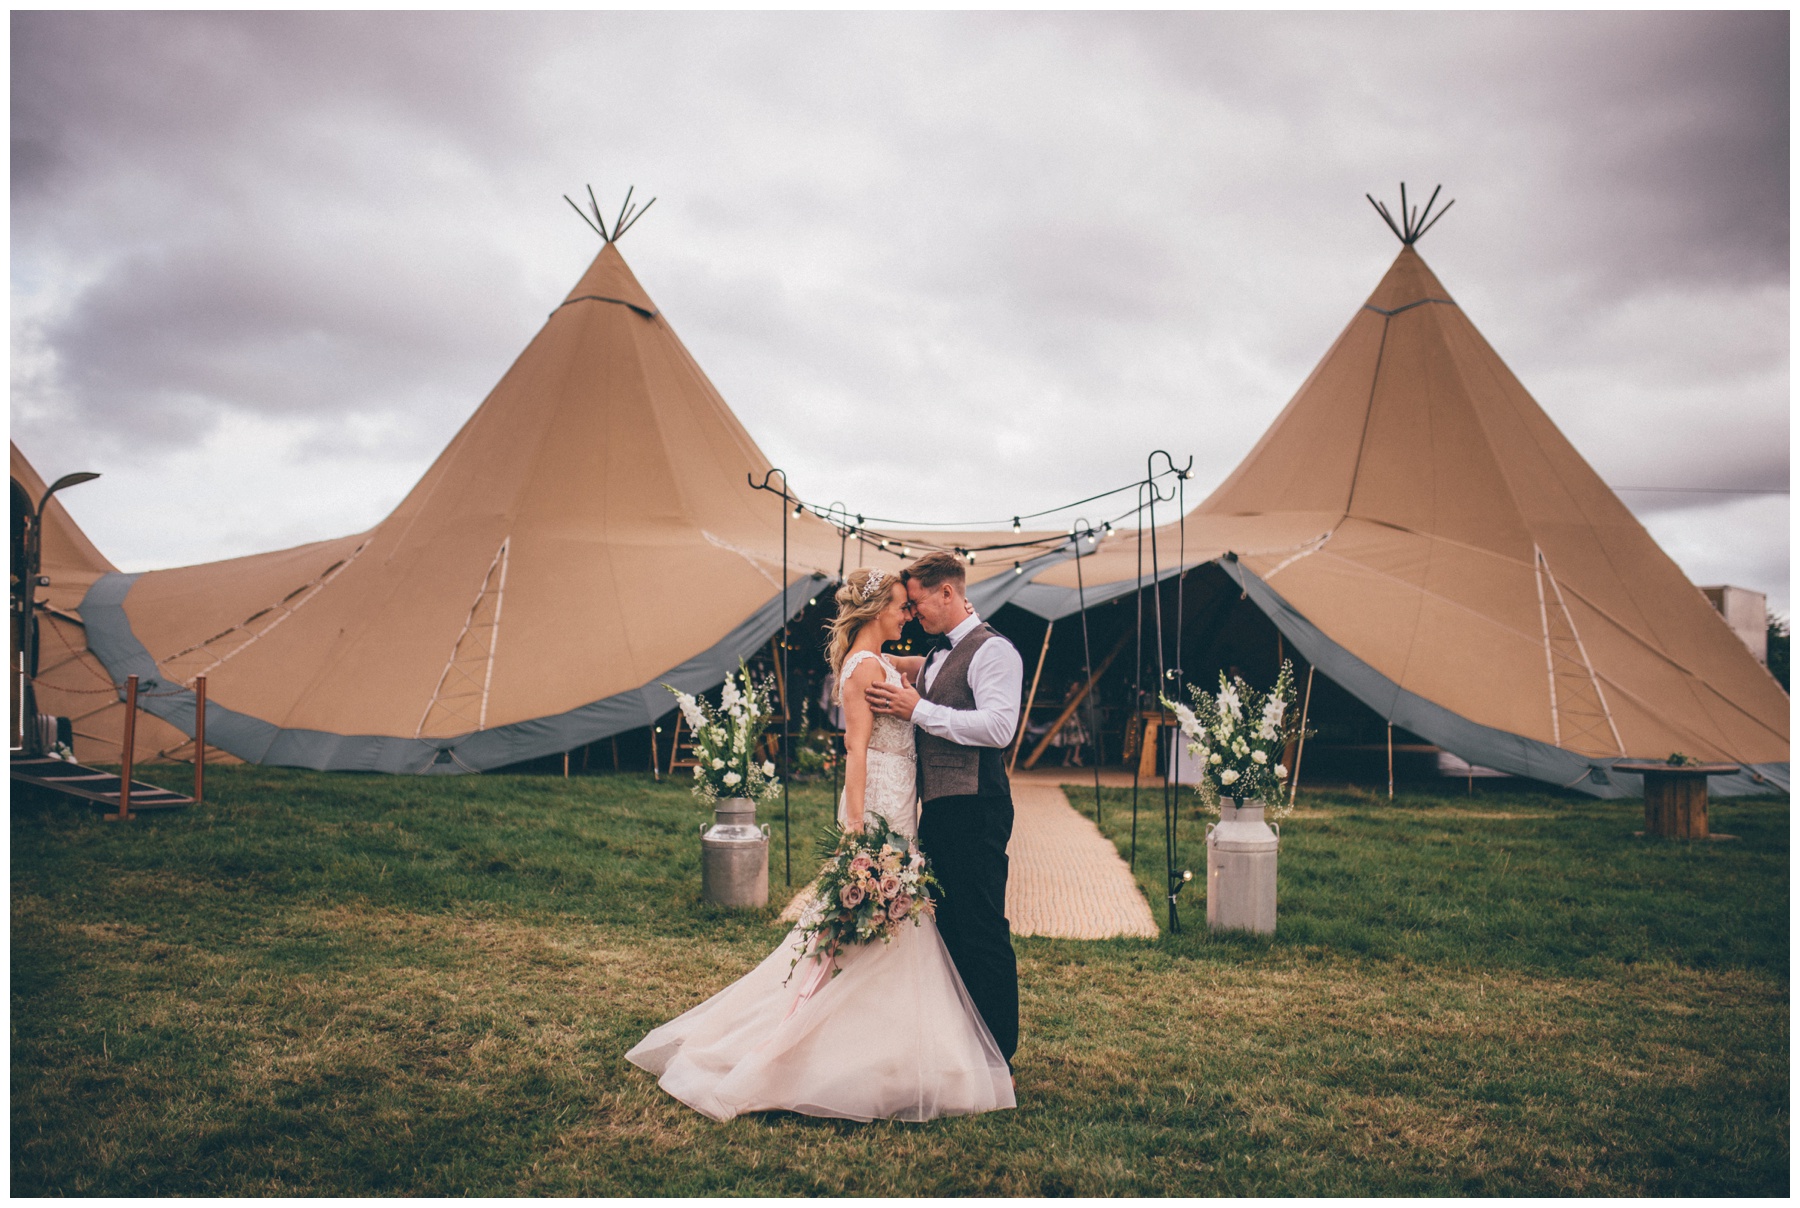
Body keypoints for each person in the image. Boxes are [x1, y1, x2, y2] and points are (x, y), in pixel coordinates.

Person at [625, 567, 1015, 1122]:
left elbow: (939, 680)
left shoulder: (908, 659)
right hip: (880, 804)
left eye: (914, 605)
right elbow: (856, 751)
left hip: (908, 804)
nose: (909, 615)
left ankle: (892, 1047)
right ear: (878, 610)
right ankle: (839, 1048)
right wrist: (855, 826)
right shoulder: (863, 667)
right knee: (876, 924)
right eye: (902, 606)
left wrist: (914, 688)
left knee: (903, 925)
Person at [865, 551, 1023, 1065]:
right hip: (941, 812)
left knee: (981, 929)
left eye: (917, 603)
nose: (913, 614)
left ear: (948, 593)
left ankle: (999, 1057)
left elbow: (998, 728)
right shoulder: (935, 656)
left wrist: (921, 711)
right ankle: (963, 1049)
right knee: (949, 930)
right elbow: (886, 662)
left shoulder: (995, 651)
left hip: (978, 808)